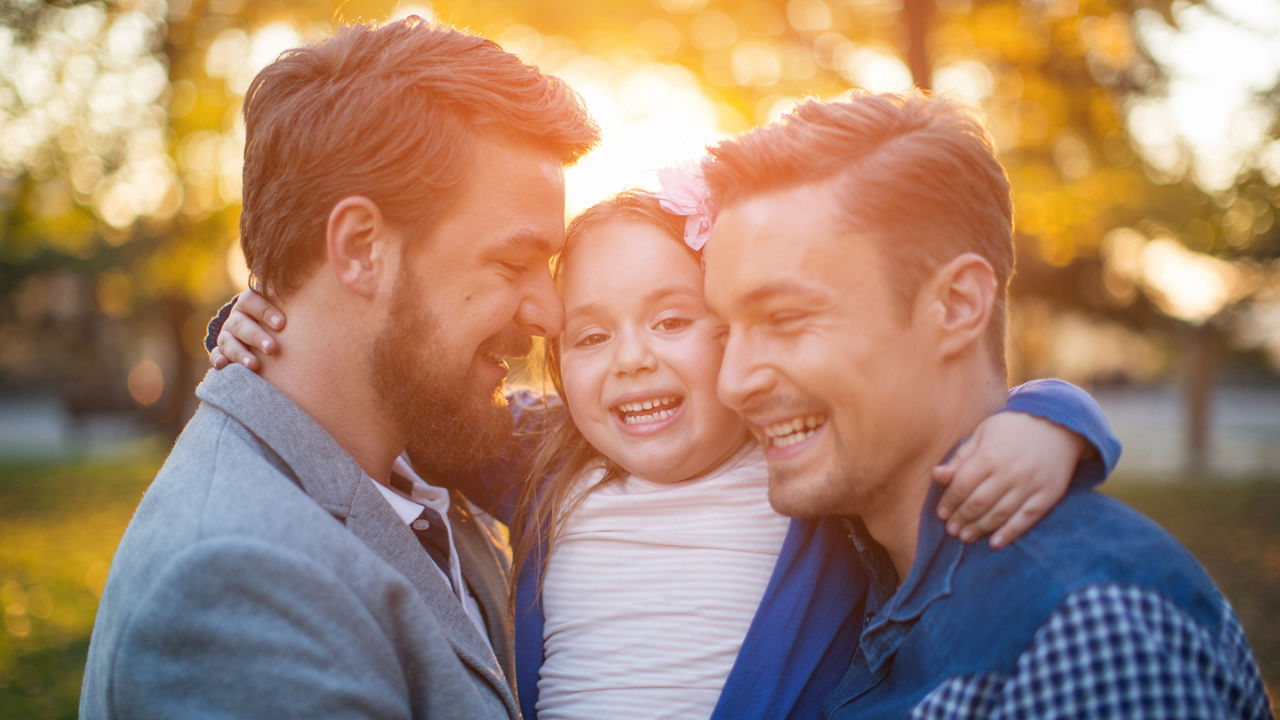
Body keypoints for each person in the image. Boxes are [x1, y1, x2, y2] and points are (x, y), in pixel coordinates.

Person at [213, 183, 1122, 719]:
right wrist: (257, 329)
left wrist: (1049, 416)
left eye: (673, 319)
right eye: (591, 336)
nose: (633, 359)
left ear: (736, 333)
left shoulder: (801, 459)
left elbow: (920, 419)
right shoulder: (542, 456)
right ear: (559, 365)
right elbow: (390, 394)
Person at [80, 17, 599, 720]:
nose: (550, 313)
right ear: (359, 248)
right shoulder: (237, 587)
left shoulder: (413, 450)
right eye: (513, 263)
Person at [700, 89, 1272, 718]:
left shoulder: (1086, 630)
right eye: (724, 331)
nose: (732, 382)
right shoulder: (842, 562)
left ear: (956, 306)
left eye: (784, 318)